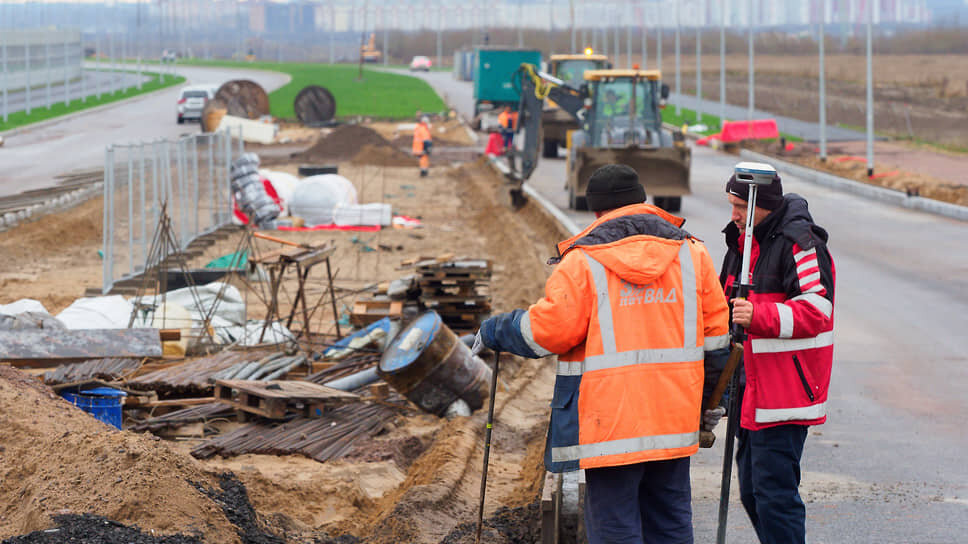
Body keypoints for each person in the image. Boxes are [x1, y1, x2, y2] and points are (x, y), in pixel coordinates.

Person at [475, 164, 731, 543]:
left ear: (597, 211)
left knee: (614, 528)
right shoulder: (693, 254)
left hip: (609, 427)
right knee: (670, 522)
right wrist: (714, 402)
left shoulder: (583, 262)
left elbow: (547, 332)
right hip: (673, 420)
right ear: (642, 202)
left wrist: (495, 330)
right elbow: (717, 341)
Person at [719, 174, 836, 544]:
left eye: (740, 207)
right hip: (749, 390)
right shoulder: (741, 244)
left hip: (783, 392)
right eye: (732, 205)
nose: (734, 214)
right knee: (754, 493)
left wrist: (758, 316)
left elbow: (817, 310)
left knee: (775, 498)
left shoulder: (800, 245)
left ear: (761, 205)